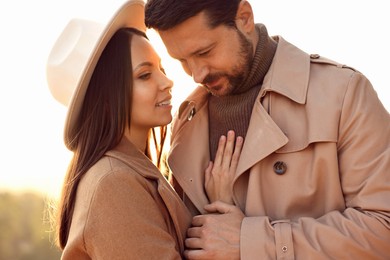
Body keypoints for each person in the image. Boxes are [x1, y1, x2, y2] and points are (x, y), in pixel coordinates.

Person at [144, 0, 390, 259]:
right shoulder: (187, 120)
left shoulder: (342, 94)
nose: (196, 74)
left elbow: (382, 227)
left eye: (205, 52)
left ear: (244, 17)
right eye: (182, 60)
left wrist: (253, 243)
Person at [46, 0, 198, 258]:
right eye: (144, 75)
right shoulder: (113, 183)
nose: (168, 81)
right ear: (106, 99)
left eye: (161, 69)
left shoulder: (132, 172)